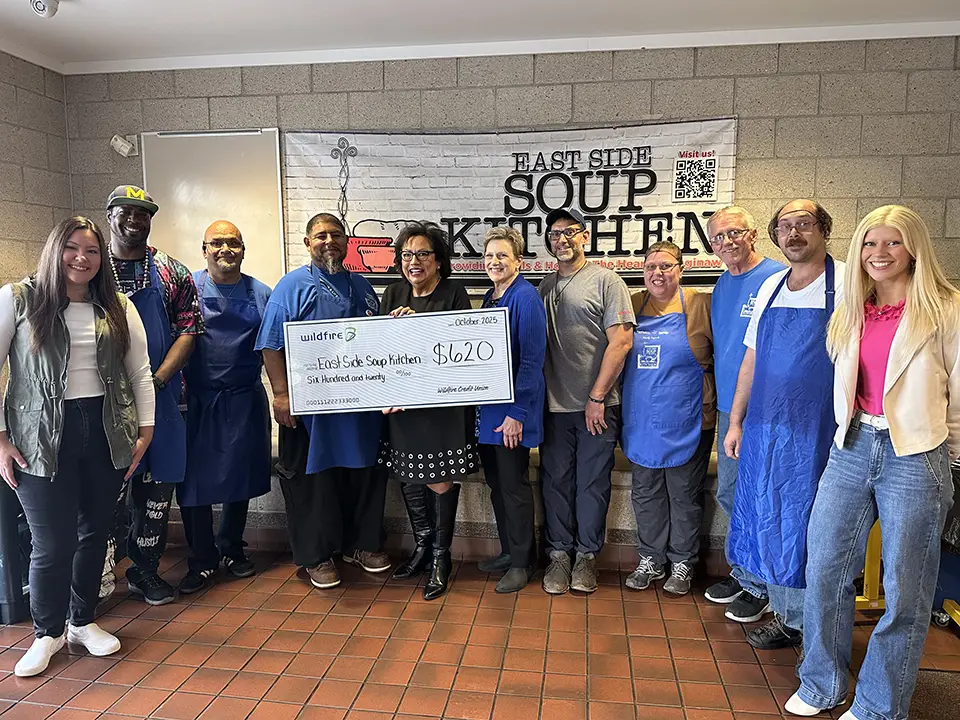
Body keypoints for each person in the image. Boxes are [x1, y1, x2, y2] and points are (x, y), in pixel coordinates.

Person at [786, 206, 960, 720]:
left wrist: (952, 458)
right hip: (853, 445)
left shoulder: (946, 308)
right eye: (869, 243)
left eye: (893, 243)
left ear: (914, 249)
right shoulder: (852, 307)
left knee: (906, 589)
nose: (879, 254)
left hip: (917, 454)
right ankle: (822, 684)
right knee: (824, 568)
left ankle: (881, 704)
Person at [0, 217, 154, 677]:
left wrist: (144, 432)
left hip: (105, 430)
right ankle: (47, 633)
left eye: (91, 250)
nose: (81, 258)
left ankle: (81, 621)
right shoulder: (19, 299)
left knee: (95, 534)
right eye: (71, 248)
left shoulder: (117, 306)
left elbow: (139, 372)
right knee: (52, 542)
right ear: (54, 251)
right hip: (39, 436)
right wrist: (0, 439)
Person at [724, 199, 845, 649]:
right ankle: (784, 613)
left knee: (811, 526)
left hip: (820, 431)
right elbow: (751, 357)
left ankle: (812, 626)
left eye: (804, 225)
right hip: (764, 426)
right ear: (776, 235)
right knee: (766, 516)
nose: (794, 234)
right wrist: (735, 421)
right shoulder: (773, 286)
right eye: (786, 226)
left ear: (823, 230)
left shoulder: (851, 280)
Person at [256, 212, 389, 590]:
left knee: (362, 476)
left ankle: (360, 545)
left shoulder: (362, 286)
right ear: (308, 243)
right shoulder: (291, 287)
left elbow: (380, 342)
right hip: (311, 409)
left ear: (347, 242)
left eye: (335, 235)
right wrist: (281, 395)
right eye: (320, 236)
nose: (328, 241)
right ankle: (318, 555)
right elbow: (269, 344)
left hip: (358, 408)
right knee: (314, 484)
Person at [101, 185, 203, 606]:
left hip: (163, 400)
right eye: (126, 212)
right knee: (104, 495)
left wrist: (156, 382)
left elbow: (188, 331)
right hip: (102, 402)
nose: (135, 220)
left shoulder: (171, 272)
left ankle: (146, 570)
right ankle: (98, 575)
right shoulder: (91, 270)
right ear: (109, 215)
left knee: (156, 494)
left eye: (143, 214)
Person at [538, 207, 634, 595]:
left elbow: (622, 341)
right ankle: (559, 555)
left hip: (597, 407)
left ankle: (586, 558)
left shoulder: (607, 281)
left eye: (569, 232)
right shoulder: (542, 286)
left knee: (591, 485)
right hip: (553, 407)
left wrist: (596, 396)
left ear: (585, 237)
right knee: (555, 483)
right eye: (554, 234)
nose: (561, 239)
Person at [177, 221, 273, 594]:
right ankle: (202, 559)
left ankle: (232, 547)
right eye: (216, 243)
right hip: (196, 400)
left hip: (244, 397)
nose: (225, 249)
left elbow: (276, 346)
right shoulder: (188, 290)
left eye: (233, 243)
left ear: (243, 249)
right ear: (204, 250)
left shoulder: (262, 293)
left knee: (239, 476)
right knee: (192, 483)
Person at [382, 221, 476, 601]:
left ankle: (441, 557)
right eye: (407, 255)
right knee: (408, 476)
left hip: (440, 409)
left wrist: (418, 326)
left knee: (437, 479)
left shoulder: (455, 294)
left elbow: (457, 352)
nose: (414, 261)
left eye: (423, 254)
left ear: (438, 261)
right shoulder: (392, 293)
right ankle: (422, 547)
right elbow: (381, 350)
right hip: (402, 404)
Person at [702, 207, 785, 609]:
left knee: (762, 495)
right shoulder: (721, 285)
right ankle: (745, 573)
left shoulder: (776, 279)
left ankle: (766, 586)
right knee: (732, 494)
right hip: (729, 411)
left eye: (734, 233)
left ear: (753, 234)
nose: (727, 242)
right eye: (718, 237)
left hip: (765, 411)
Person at [621, 241, 715, 596]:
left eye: (665, 266)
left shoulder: (700, 305)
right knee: (645, 493)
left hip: (687, 418)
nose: (657, 274)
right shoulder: (631, 305)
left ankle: (682, 562)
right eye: (650, 268)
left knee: (684, 494)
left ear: (681, 268)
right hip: (642, 418)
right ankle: (650, 557)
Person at [475, 227, 546, 593]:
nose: (494, 262)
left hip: (510, 415)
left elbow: (532, 361)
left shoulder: (525, 297)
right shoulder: (491, 296)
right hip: (488, 414)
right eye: (489, 256)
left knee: (514, 488)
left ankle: (522, 563)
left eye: (502, 255)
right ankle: (508, 550)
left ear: (518, 260)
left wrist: (517, 413)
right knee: (498, 487)